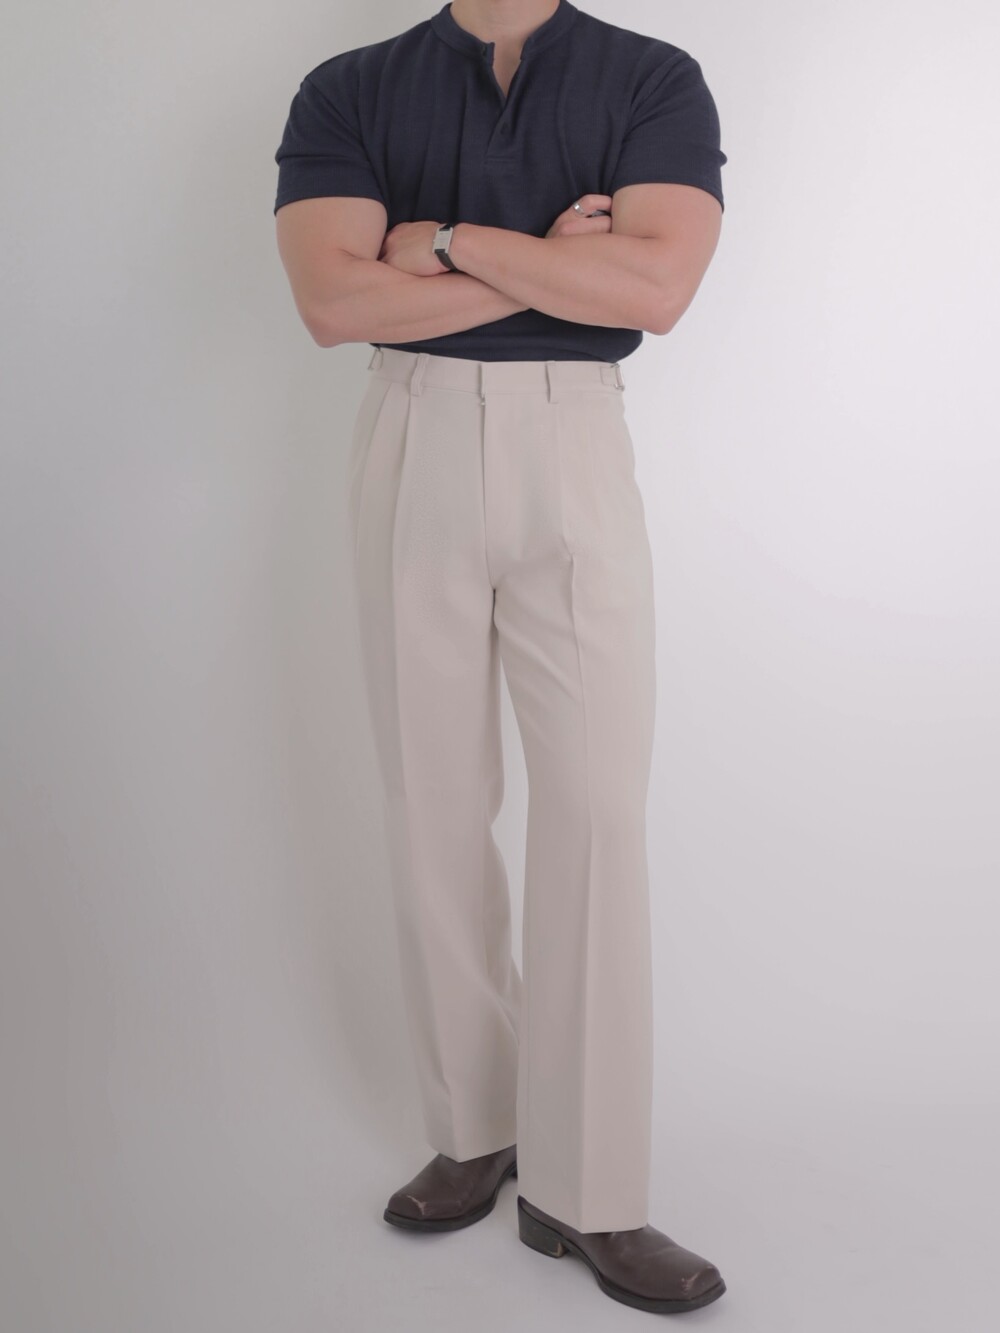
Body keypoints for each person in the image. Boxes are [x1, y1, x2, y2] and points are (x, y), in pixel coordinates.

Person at [273, 0, 728, 1314]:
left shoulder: (651, 77)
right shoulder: (351, 86)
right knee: (431, 799)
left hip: (572, 436)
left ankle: (591, 1189)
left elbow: (654, 290)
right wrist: (545, 262)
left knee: (595, 809)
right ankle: (473, 1124)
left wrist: (447, 241)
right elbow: (330, 302)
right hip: (408, 431)